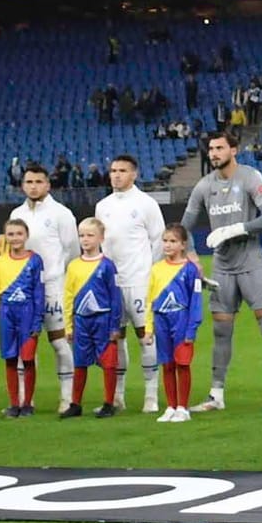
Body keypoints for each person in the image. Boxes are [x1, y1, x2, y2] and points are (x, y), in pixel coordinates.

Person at [184, 131, 262, 414]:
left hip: (254, 261)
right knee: (220, 331)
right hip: (223, 267)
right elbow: (183, 228)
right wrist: (191, 255)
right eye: (211, 149)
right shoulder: (204, 186)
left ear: (234, 149)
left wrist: (237, 228)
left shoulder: (250, 177)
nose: (214, 153)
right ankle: (216, 394)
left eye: (219, 148)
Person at [94, 153, 165, 413]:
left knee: (145, 337)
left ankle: (150, 396)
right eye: (113, 170)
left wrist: (148, 272)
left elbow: (158, 240)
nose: (116, 175)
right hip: (112, 283)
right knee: (116, 337)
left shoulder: (146, 204)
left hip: (139, 280)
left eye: (122, 170)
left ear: (134, 174)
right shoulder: (103, 206)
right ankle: (118, 396)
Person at [11, 163, 81, 413]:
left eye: (38, 182)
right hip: (24, 291)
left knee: (59, 343)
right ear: (22, 185)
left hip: (53, 287)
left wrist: (62, 281)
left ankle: (67, 398)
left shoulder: (62, 214)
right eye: (29, 182)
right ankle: (24, 399)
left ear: (48, 185)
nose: (33, 186)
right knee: (25, 345)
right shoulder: (17, 214)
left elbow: (73, 251)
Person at [63, 218, 124, 419]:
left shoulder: (107, 266)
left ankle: (108, 403)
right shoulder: (73, 266)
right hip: (81, 321)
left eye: (90, 235)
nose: (85, 239)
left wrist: (115, 325)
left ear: (101, 238)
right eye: (82, 235)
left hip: (103, 320)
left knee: (108, 362)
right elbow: (69, 295)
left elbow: (115, 297)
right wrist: (69, 325)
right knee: (79, 362)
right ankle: (75, 404)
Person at [0, 218, 45, 418]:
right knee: (10, 359)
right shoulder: (0, 261)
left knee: (28, 358)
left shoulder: (35, 261)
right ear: (5, 237)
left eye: (19, 234)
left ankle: (28, 403)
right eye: (10, 234)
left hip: (28, 314)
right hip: (6, 314)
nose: (15, 238)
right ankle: (14, 404)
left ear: (26, 236)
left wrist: (38, 320)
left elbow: (39, 292)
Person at [149, 224, 204, 423]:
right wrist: (149, 328)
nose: (168, 245)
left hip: (181, 319)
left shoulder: (190, 270)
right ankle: (171, 406)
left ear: (183, 245)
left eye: (173, 241)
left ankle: (183, 407)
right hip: (161, 320)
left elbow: (196, 301)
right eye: (165, 241)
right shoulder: (156, 269)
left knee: (182, 364)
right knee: (167, 364)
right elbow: (150, 299)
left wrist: (192, 328)